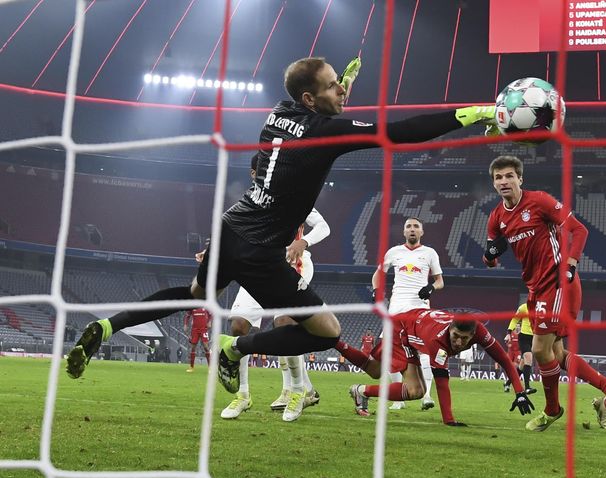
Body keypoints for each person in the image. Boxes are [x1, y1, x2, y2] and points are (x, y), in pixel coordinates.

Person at [66, 56, 497, 386]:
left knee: (197, 292)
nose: (341, 90)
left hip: (232, 225)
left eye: (340, 82)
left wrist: (342, 86)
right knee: (326, 332)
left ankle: (106, 325)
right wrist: (472, 114)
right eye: (333, 86)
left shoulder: (278, 113)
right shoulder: (324, 133)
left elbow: (312, 110)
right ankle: (234, 349)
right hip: (260, 249)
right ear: (309, 99)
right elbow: (401, 132)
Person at [483, 155, 606, 432]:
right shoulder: (496, 217)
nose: (504, 181)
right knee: (557, 353)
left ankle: (553, 409)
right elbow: (490, 259)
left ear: (520, 179)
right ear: (493, 183)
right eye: (498, 177)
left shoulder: (539, 201)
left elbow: (579, 229)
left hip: (557, 283)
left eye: (509, 176)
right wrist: (490, 255)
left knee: (539, 350)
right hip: (535, 288)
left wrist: (571, 265)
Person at [216, 156, 331, 421]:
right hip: (256, 268)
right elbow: (231, 235)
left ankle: (298, 392)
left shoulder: (295, 195)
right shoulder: (248, 203)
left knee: (285, 324)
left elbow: (323, 227)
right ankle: (242, 395)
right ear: (253, 173)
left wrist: (304, 242)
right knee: (238, 326)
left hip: (292, 267)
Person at [336, 309, 534, 426]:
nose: (458, 343)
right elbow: (441, 381)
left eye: (464, 339)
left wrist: (519, 392)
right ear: (450, 328)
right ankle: (360, 389)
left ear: (474, 335)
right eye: (455, 336)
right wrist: (449, 420)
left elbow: (504, 360)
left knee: (374, 370)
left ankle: (339, 350)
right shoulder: (437, 342)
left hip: (412, 321)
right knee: (415, 391)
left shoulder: (480, 331)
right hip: (401, 329)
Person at [371, 217, 444, 411]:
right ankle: (399, 398)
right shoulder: (393, 252)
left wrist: (431, 288)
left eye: (416, 226)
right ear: (404, 232)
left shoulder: (429, 253)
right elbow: (378, 274)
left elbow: (440, 281)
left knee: (424, 351)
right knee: (390, 352)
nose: (412, 229)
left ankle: (426, 396)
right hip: (396, 308)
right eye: (408, 226)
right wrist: (376, 291)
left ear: (421, 232)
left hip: (419, 309)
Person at [505, 302, 537, 394]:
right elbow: (515, 319)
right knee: (529, 359)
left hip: (535, 338)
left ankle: (507, 383)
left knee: (521, 366)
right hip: (524, 338)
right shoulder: (524, 307)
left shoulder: (541, 307)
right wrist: (508, 333)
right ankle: (527, 388)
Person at [183, 308, 211, 372]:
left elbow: (211, 314)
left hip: (204, 329)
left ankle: (210, 368)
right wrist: (185, 324)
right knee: (193, 347)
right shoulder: (193, 306)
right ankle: (191, 367)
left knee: (206, 347)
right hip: (195, 330)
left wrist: (209, 322)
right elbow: (187, 315)